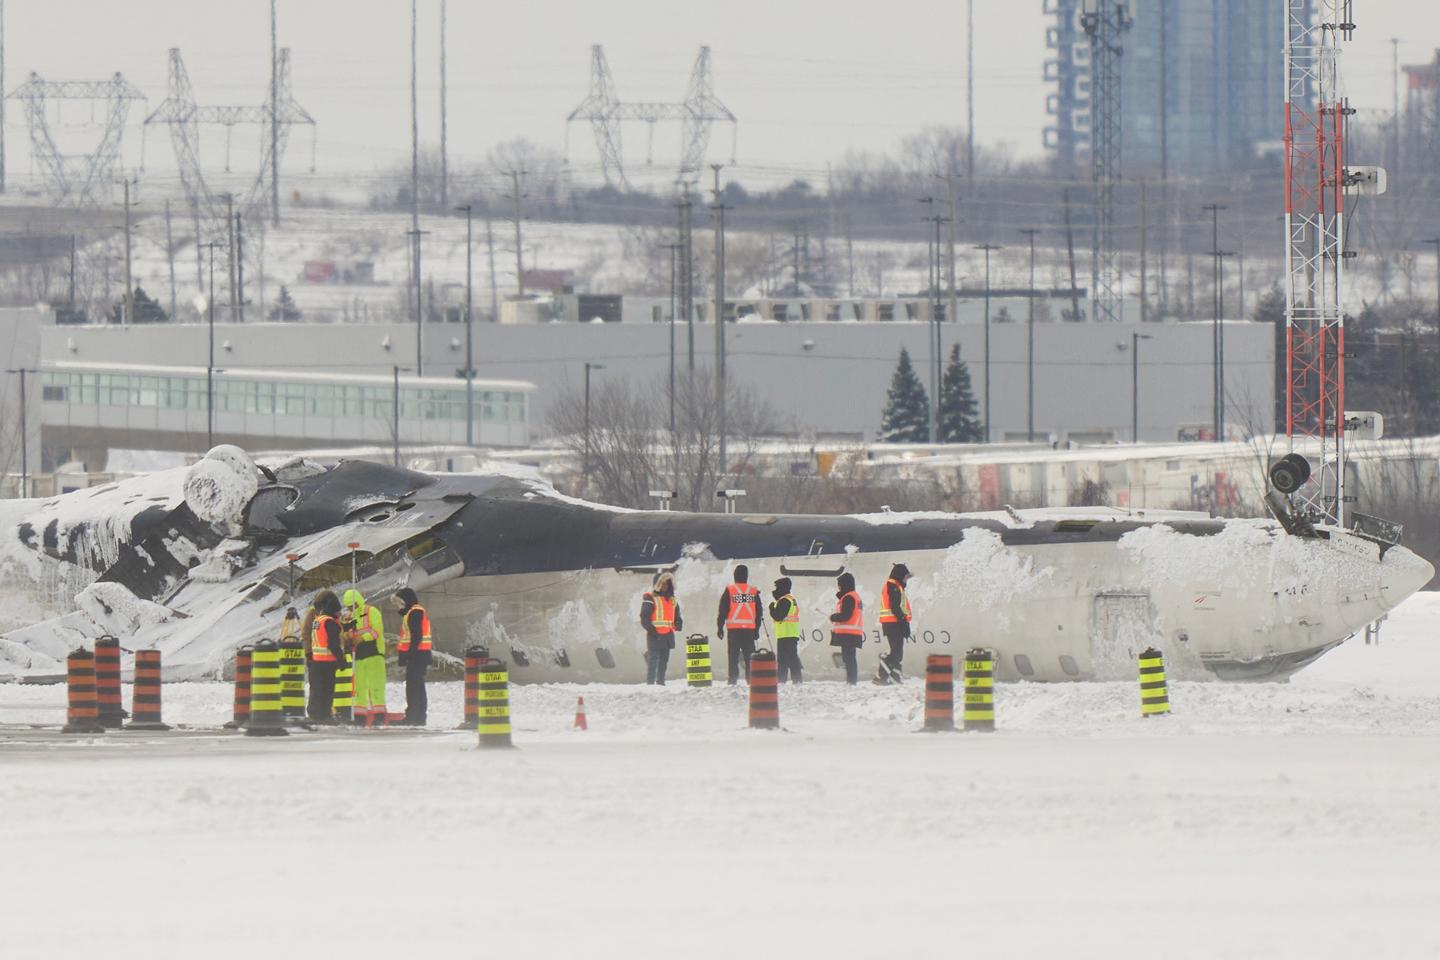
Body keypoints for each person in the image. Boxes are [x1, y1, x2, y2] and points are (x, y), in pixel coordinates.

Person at [341, 587, 387, 726]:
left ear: (358, 601)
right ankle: (360, 716)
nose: (351, 608)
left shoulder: (371, 612)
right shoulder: (348, 617)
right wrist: (348, 635)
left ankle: (379, 716)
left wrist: (361, 638)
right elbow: (345, 636)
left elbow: (377, 630)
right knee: (359, 687)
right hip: (359, 656)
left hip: (374, 654)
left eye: (353, 605)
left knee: (376, 685)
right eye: (349, 606)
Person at [716, 564, 763, 684]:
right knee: (750, 657)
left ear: (735, 576)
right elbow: (759, 612)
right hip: (749, 631)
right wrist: (757, 629)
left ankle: (732, 679)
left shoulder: (730, 590)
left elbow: (723, 610)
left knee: (733, 657)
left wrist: (720, 627)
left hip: (734, 630)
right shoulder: (753, 591)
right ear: (746, 576)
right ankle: (751, 679)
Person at [306, 590, 345, 722]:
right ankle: (324, 715)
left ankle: (315, 714)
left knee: (317, 689)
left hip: (316, 660)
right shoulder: (330, 622)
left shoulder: (318, 620)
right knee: (327, 690)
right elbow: (333, 644)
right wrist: (341, 659)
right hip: (328, 662)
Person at [394, 588, 431, 726]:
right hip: (420, 654)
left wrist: (409, 654)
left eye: (400, 602)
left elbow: (416, 635)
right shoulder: (413, 611)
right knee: (418, 687)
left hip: (417, 655)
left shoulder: (415, 612)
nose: (399, 606)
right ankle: (419, 717)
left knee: (413, 688)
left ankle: (413, 717)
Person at [640, 572, 682, 684]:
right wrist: (651, 630)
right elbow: (644, 617)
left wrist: (678, 623)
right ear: (657, 585)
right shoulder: (650, 598)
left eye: (667, 584)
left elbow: (677, 616)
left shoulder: (672, 600)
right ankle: (650, 683)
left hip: (667, 634)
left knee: (664, 661)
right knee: (653, 661)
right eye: (662, 584)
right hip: (655, 635)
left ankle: (661, 682)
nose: (665, 586)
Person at [875, 563, 914, 684]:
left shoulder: (897, 586)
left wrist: (904, 622)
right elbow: (895, 607)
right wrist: (903, 622)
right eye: (905, 576)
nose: (906, 579)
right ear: (900, 574)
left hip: (895, 623)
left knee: (898, 652)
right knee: (896, 652)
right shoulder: (892, 585)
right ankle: (881, 675)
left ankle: (894, 676)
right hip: (893, 623)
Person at [829, 572, 865, 684]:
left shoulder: (849, 598)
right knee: (850, 658)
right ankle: (851, 681)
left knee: (849, 659)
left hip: (848, 634)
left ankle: (851, 681)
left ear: (845, 584)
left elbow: (845, 615)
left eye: (840, 585)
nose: (839, 587)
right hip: (852, 633)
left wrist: (833, 617)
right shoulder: (854, 596)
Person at [769, 576, 803, 684]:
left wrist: (771, 609)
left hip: (786, 635)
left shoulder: (784, 601)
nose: (775, 590)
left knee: (784, 661)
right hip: (790, 634)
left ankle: (782, 680)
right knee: (792, 659)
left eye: (776, 587)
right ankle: (796, 680)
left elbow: (778, 616)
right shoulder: (790, 599)